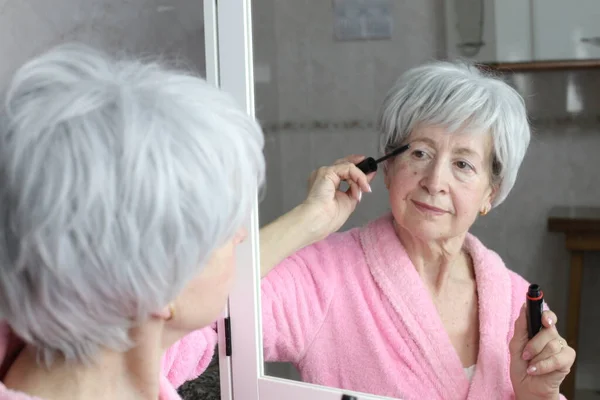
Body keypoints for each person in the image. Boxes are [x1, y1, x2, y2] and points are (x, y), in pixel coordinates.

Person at [260, 61, 576, 399]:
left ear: (490, 193)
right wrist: (307, 220)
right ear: (389, 168)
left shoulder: (517, 302)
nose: (435, 181)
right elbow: (205, 310)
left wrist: (539, 397)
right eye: (420, 153)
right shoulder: (322, 276)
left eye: (463, 164)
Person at [0, 43, 264, 400]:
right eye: (222, 232)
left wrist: (311, 219)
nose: (241, 236)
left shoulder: (125, 348)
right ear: (149, 289)